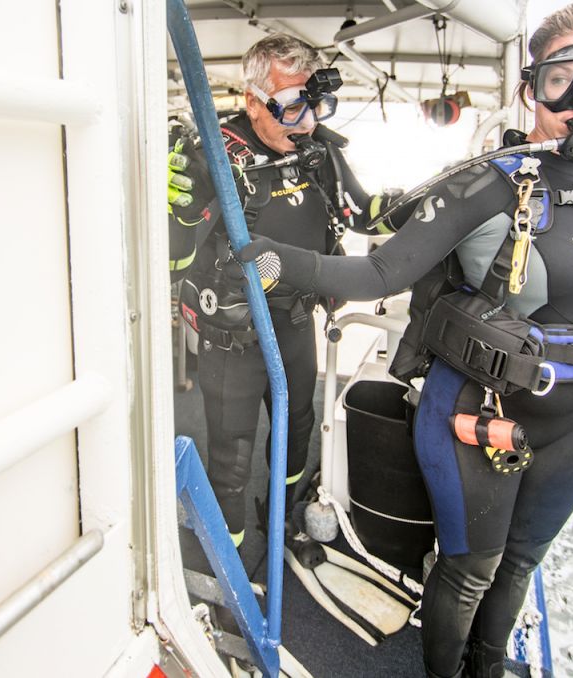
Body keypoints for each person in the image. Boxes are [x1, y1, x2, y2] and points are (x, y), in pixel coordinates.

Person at [237, 3, 573, 676]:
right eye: (561, 81)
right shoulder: (487, 182)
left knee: (519, 565)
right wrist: (276, 260)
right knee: (470, 571)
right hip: (475, 417)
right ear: (531, 89)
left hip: (570, 428)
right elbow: (381, 272)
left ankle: (488, 666)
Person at [168, 34, 404, 547]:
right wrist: (176, 213)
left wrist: (425, 207)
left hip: (296, 324)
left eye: (316, 105)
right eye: (292, 106)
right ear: (253, 101)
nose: (308, 122)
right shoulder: (212, 159)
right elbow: (171, 259)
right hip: (234, 339)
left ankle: (281, 517)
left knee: (298, 430)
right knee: (231, 456)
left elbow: (364, 213)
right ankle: (229, 555)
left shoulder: (318, 151)